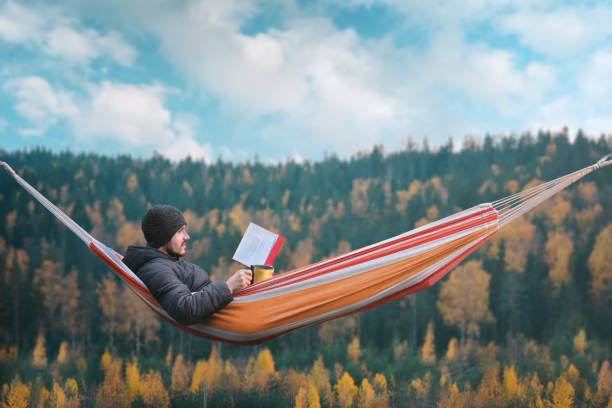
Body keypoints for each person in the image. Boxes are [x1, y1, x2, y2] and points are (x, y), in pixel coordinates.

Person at [123, 204, 252, 325]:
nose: (187, 236)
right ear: (163, 236)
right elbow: (185, 308)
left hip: (229, 309)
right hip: (226, 318)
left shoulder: (167, 263)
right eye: (180, 231)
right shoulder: (155, 269)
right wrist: (228, 286)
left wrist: (241, 285)